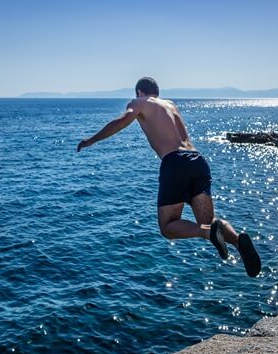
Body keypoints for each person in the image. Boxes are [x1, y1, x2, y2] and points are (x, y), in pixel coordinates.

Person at [76, 77, 261, 277]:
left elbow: (122, 121)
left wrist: (91, 140)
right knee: (208, 221)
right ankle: (238, 240)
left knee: (168, 226)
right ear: (157, 91)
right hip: (198, 161)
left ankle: (207, 233)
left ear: (139, 92)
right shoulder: (170, 105)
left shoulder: (140, 102)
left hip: (175, 163)